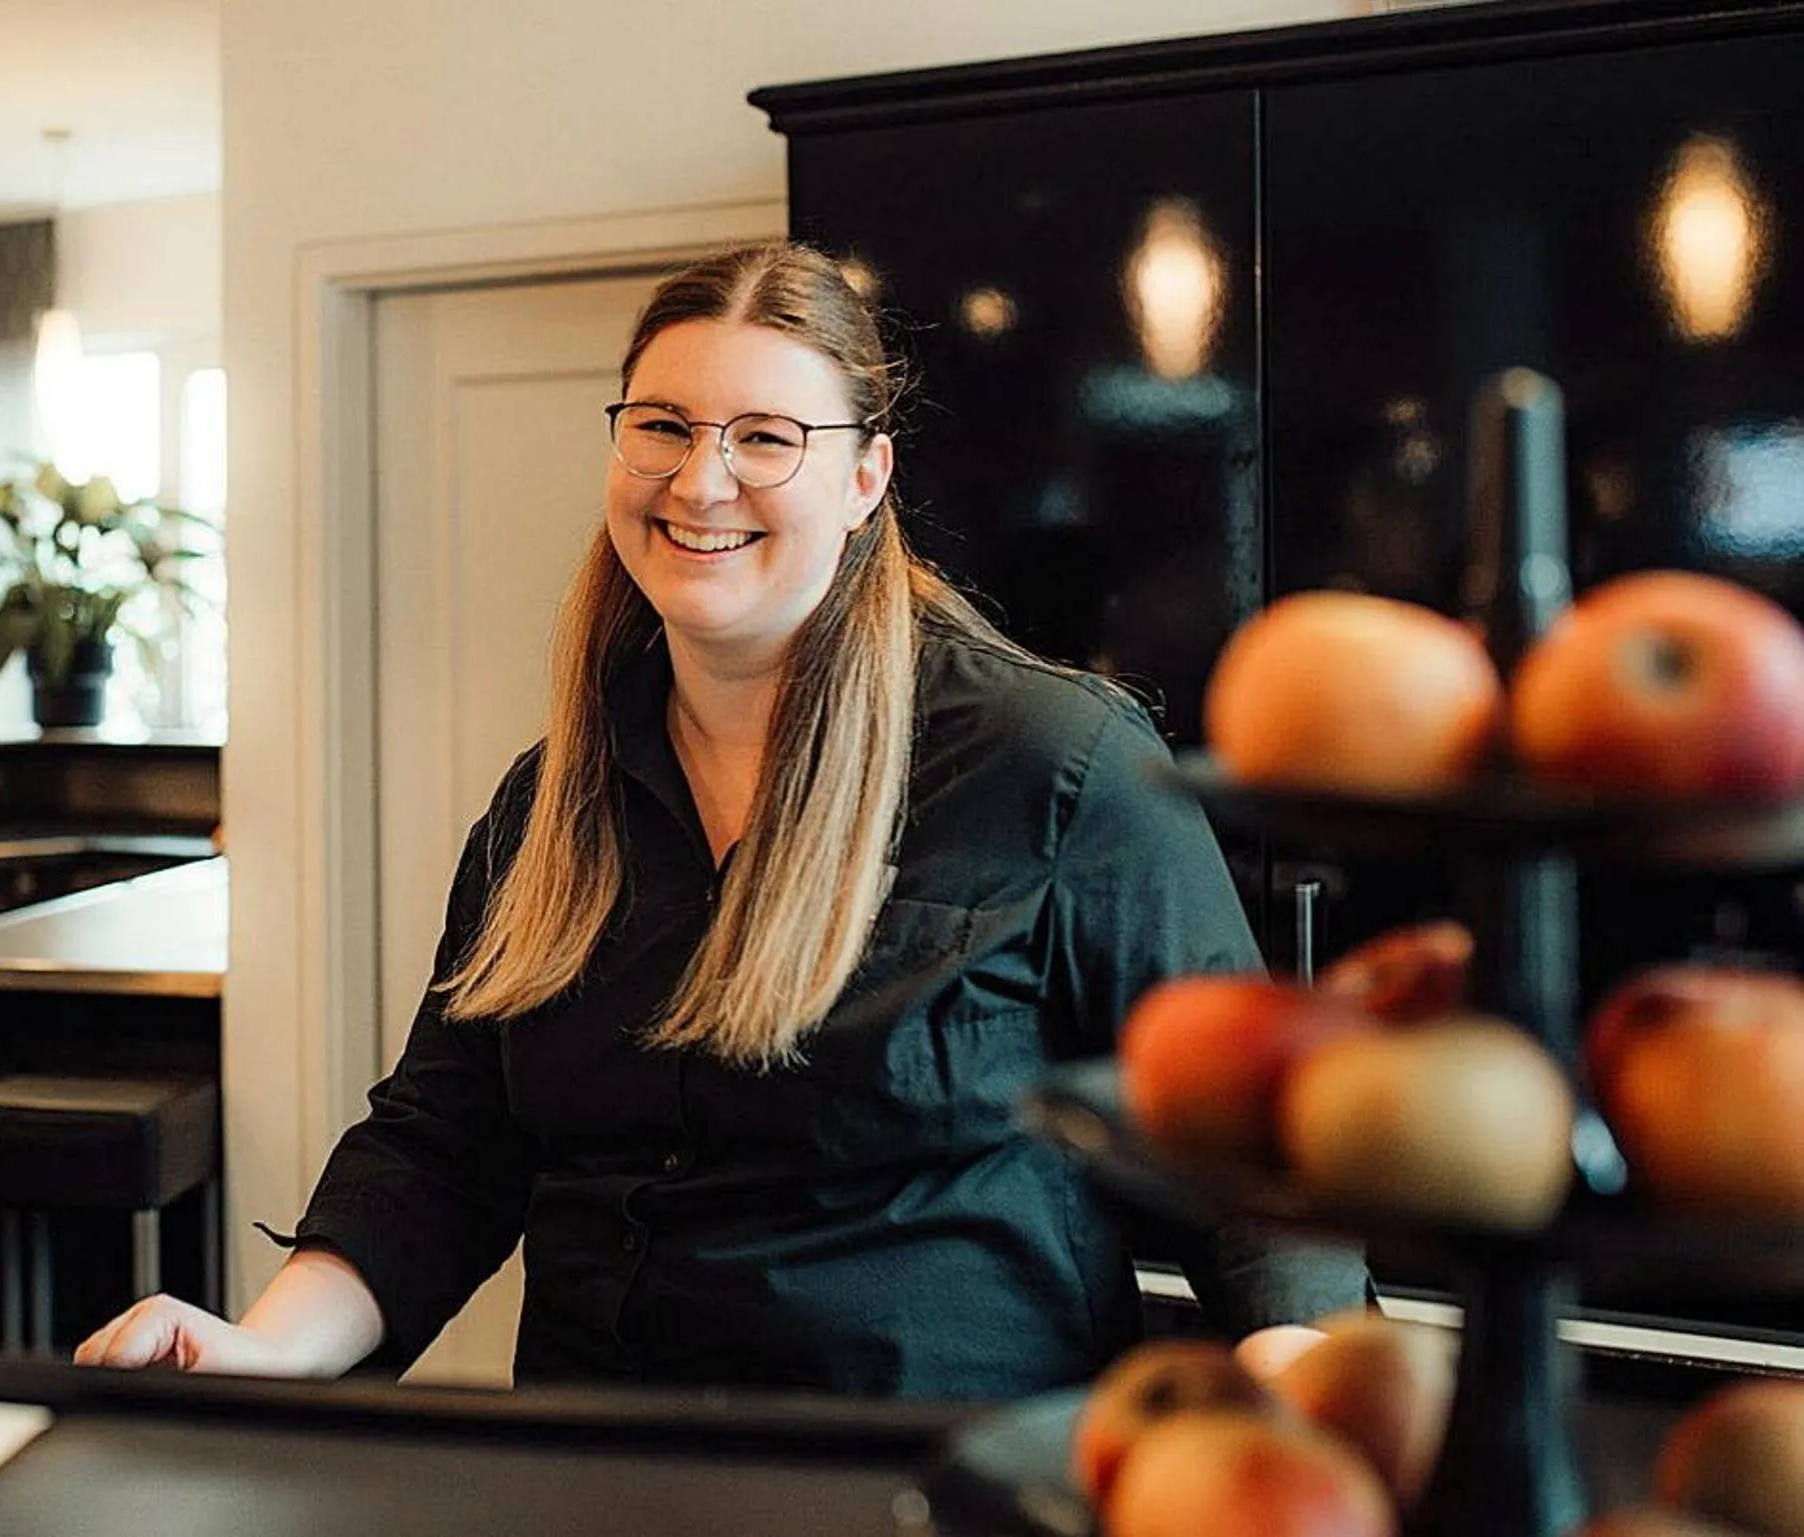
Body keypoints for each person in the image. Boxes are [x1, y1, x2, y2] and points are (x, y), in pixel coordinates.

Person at [77, 243, 1364, 1396]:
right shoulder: (548, 803)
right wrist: (259, 1348)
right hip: (609, 1468)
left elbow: (1244, 1145)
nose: (701, 481)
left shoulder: (1053, 762)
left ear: (864, 476)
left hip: (938, 1474)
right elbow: (443, 1147)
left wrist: (1306, 1395)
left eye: (765, 437)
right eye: (663, 427)